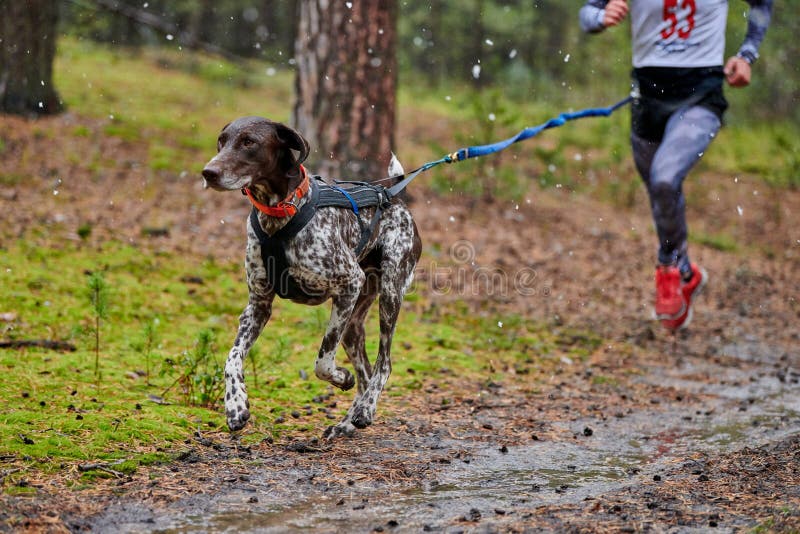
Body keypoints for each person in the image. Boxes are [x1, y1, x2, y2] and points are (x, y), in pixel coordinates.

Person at [579, 0, 773, 330]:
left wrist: (747, 54)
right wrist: (601, 17)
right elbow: (587, 14)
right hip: (648, 97)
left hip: (702, 94)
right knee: (660, 192)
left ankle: (667, 267)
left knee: (665, 179)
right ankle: (686, 272)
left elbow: (762, 4)